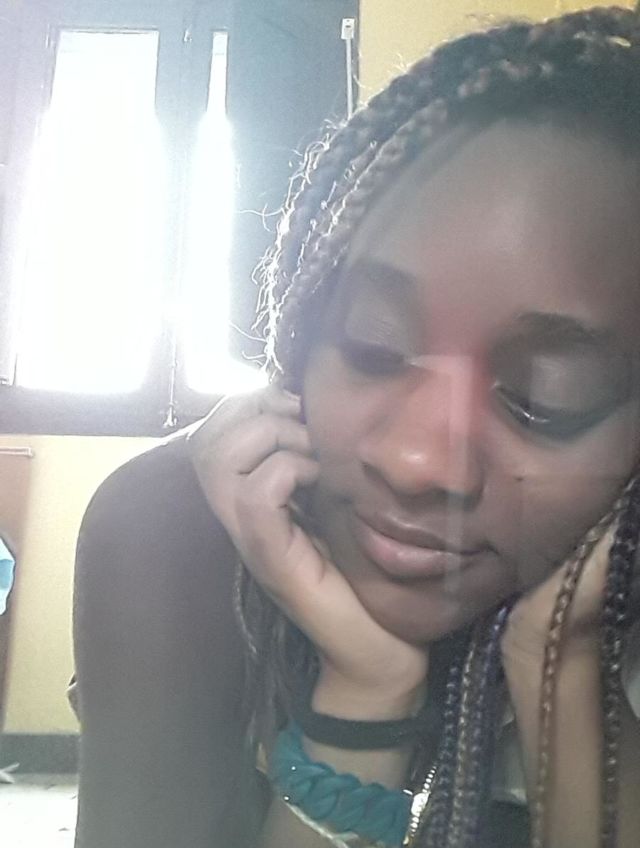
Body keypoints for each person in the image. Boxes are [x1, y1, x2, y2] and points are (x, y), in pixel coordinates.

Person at [72, 6, 640, 848]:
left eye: (543, 397)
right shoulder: (175, 530)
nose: (417, 461)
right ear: (303, 332)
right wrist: (366, 695)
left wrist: (561, 668)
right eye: (374, 348)